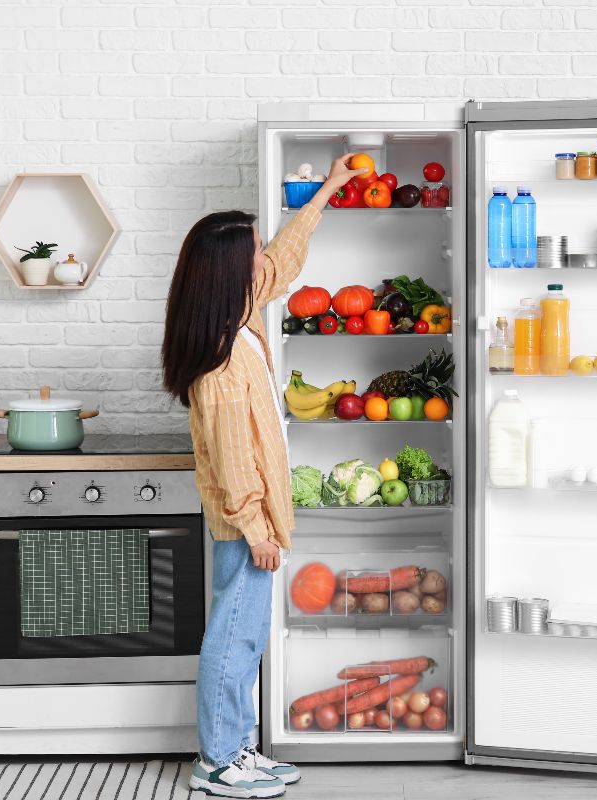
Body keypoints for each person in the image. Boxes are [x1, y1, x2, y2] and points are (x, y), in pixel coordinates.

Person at [161, 154, 365, 798]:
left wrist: (329, 188)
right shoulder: (218, 368)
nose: (261, 259)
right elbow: (231, 462)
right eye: (249, 251)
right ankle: (218, 762)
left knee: (245, 638)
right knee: (233, 640)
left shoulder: (242, 313)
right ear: (229, 271)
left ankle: (238, 749)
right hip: (246, 525)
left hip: (260, 521)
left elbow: (286, 254)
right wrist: (256, 529)